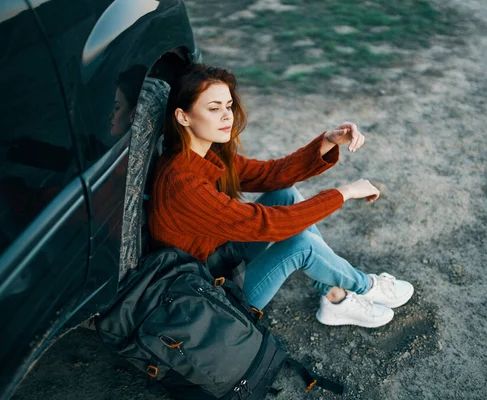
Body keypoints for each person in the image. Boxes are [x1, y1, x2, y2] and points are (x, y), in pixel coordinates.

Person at [148, 64, 414, 328]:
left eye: (228, 106)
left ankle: (336, 298)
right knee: (301, 246)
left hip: (222, 255)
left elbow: (270, 174)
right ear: (183, 117)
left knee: (284, 194)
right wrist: (344, 193)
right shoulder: (182, 184)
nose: (227, 116)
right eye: (214, 108)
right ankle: (366, 286)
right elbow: (266, 225)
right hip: (213, 296)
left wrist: (329, 141)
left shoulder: (204, 154)